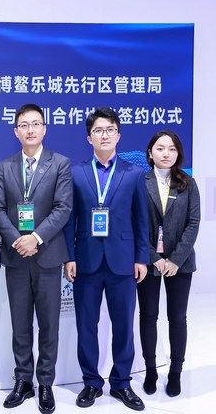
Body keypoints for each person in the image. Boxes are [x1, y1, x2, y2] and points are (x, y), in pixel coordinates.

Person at [64, 107, 149, 411]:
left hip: (123, 262)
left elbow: (141, 220)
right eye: (98, 130)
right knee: (87, 325)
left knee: (123, 325)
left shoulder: (133, 173)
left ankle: (122, 382)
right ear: (89, 138)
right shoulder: (75, 173)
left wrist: (141, 258)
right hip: (86, 260)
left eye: (110, 130)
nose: (104, 135)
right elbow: (69, 220)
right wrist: (69, 256)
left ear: (118, 135)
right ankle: (91, 382)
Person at [0, 103, 72, 414]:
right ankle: (23, 380)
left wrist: (35, 237)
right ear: (16, 131)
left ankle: (45, 383)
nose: (30, 130)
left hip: (47, 255)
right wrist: (17, 239)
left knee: (49, 325)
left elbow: (63, 208)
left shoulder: (60, 164)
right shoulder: (5, 166)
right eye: (24, 125)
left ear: (44, 128)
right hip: (16, 257)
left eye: (36, 124)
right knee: (20, 324)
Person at [138, 130, 200, 397]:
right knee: (148, 316)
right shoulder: (140, 182)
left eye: (172, 149)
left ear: (178, 154)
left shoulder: (188, 183)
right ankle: (151, 370)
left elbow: (193, 223)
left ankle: (175, 372)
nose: (166, 153)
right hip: (148, 261)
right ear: (150, 152)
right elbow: (134, 224)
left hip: (180, 263)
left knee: (177, 318)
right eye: (160, 148)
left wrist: (175, 259)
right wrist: (154, 257)